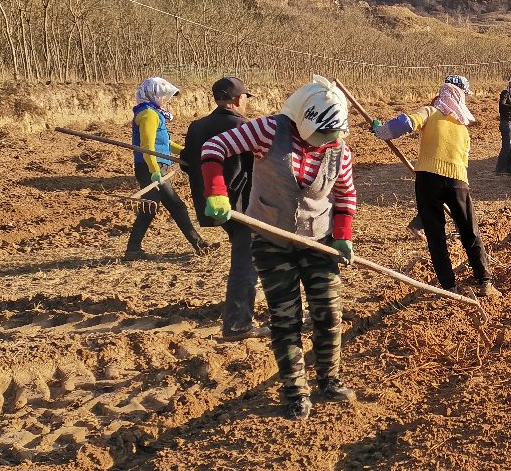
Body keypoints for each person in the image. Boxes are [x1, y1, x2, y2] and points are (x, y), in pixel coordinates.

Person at [199, 75, 357, 420]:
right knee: (286, 319)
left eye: (332, 136)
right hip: (271, 241)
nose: (326, 142)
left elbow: (345, 193)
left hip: (319, 242)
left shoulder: (339, 149)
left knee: (329, 314)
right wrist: (216, 191)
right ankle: (295, 392)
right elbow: (213, 148)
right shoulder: (269, 130)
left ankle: (329, 380)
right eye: (322, 134)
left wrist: (343, 234)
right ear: (305, 119)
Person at [374, 74, 499, 298]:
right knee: (470, 231)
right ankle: (485, 282)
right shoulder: (463, 127)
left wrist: (381, 130)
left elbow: (405, 123)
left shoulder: (430, 112)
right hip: (458, 182)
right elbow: (464, 160)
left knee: (436, 236)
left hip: (428, 180)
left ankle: (449, 287)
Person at [182, 76, 265, 340]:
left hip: (211, 205)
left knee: (248, 255)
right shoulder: (243, 127)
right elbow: (260, 166)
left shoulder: (196, 127)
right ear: (239, 99)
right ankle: (237, 325)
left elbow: (186, 163)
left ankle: (243, 299)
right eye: (245, 98)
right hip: (241, 205)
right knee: (246, 260)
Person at [125, 76, 215, 261]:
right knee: (170, 206)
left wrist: (185, 152)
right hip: (151, 168)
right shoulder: (148, 115)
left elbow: (164, 142)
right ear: (154, 94)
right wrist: (154, 171)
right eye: (164, 96)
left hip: (155, 166)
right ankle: (199, 245)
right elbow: (147, 146)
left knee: (158, 208)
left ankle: (133, 249)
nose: (166, 100)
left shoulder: (153, 112)